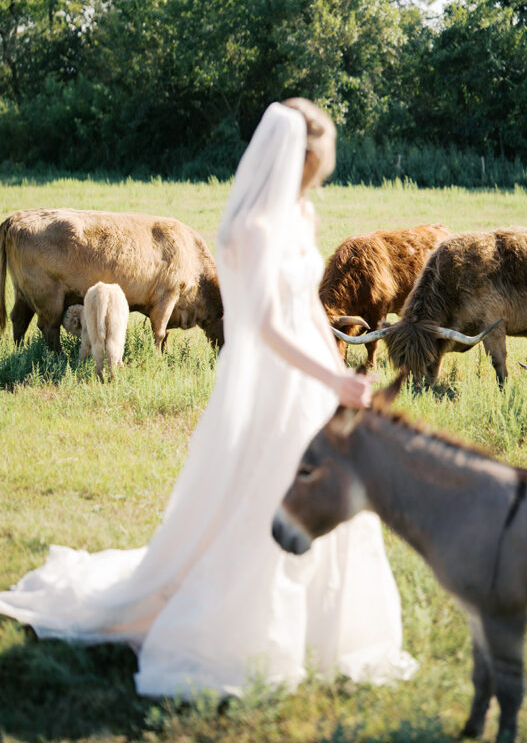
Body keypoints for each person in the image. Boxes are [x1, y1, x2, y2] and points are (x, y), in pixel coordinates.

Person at [0, 99, 416, 696]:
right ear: (306, 151)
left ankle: (326, 628)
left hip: (314, 372)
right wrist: (328, 378)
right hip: (271, 376)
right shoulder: (250, 228)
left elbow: (303, 310)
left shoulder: (303, 214)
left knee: (325, 488)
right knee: (262, 488)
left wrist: (335, 363)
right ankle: (239, 625)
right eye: (326, 149)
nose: (331, 161)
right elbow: (266, 325)